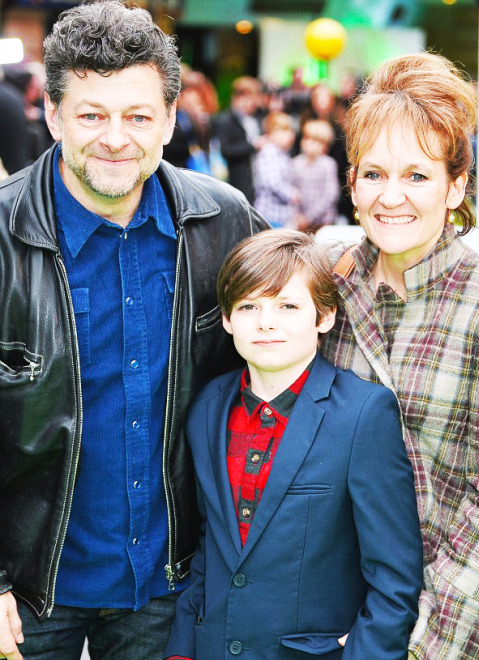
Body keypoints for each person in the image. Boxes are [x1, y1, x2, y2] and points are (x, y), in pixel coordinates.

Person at [0, 2, 268, 659]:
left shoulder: (224, 222)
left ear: (171, 120)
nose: (116, 137)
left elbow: (290, 366)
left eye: (138, 116)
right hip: (26, 592)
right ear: (54, 115)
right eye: (92, 115)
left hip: (166, 587)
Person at [164, 229, 423, 660]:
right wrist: (182, 651)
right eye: (249, 306)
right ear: (227, 319)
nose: (267, 322)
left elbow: (393, 577)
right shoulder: (207, 407)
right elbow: (210, 547)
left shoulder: (362, 414)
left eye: (287, 306)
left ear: (323, 317)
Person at [322, 52, 479, 659]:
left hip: (459, 624)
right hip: (345, 616)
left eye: (417, 176)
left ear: (456, 187)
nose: (390, 197)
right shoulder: (331, 288)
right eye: (372, 174)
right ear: (351, 184)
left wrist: (421, 642)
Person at [212, 76, 263, 203]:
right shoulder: (225, 120)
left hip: (254, 180)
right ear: (238, 98)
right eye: (250, 98)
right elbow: (226, 150)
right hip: (235, 180)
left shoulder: (255, 118)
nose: (254, 103)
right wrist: (252, 145)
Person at [291, 119, 339, 231]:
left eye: (316, 141)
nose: (309, 144)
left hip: (323, 222)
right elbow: (293, 192)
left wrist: (309, 217)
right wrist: (297, 216)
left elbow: (330, 195)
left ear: (325, 146)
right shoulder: (295, 163)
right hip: (300, 222)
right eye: (307, 139)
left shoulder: (328, 164)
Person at [253, 111, 299, 228]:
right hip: (269, 215)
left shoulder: (282, 153)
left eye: (290, 131)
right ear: (271, 133)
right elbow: (272, 182)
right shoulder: (269, 152)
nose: (290, 135)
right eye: (284, 131)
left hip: (282, 216)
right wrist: (292, 194)